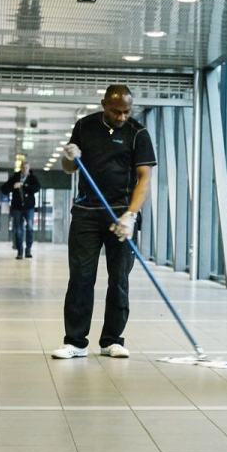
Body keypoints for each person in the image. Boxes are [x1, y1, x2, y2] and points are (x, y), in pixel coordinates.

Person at [52, 84, 156, 359]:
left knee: (119, 278)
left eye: (126, 112)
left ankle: (112, 340)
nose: (122, 117)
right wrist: (68, 156)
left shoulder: (138, 133)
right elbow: (69, 169)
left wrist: (131, 215)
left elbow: (144, 177)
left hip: (121, 214)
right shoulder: (84, 127)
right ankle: (75, 342)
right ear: (103, 104)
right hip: (86, 212)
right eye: (116, 111)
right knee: (81, 277)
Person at [0, 160, 40, 260]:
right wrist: (13, 186)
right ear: (21, 168)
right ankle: (19, 251)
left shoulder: (32, 178)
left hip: (29, 207)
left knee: (30, 228)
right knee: (18, 230)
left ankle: (28, 250)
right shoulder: (15, 177)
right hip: (17, 207)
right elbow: (4, 189)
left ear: (29, 168)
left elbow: (37, 188)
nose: (25, 170)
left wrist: (24, 185)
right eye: (23, 168)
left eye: (27, 168)